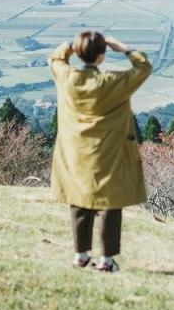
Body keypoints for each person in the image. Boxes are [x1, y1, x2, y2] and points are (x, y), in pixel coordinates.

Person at [48, 30, 153, 273]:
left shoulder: (67, 78)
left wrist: (71, 45)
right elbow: (144, 67)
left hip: (75, 152)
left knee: (78, 200)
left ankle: (80, 255)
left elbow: (55, 59)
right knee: (110, 203)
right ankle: (107, 261)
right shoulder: (112, 83)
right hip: (109, 151)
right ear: (102, 56)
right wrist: (124, 48)